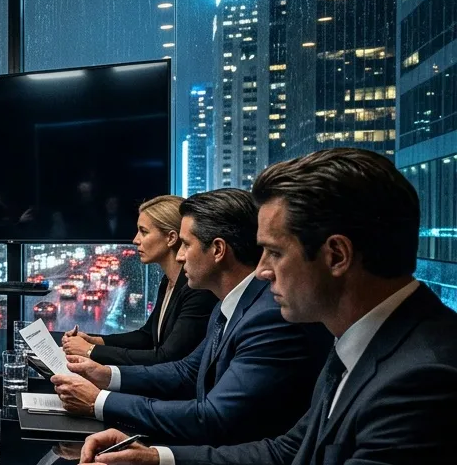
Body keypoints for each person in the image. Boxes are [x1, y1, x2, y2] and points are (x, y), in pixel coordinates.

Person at [73, 148, 457, 465]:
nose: (261, 271)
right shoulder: (369, 339)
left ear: (336, 255)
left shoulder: (426, 379)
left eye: (275, 252)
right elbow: (286, 452)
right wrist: (153, 460)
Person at [52, 188, 331, 445]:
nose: (181, 256)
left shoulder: (268, 315)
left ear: (219, 250)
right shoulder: (231, 304)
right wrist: (106, 374)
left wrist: (100, 400)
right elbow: (187, 371)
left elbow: (212, 417)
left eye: (186, 244)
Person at [63, 195, 216, 366]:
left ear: (171, 238)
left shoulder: (196, 289)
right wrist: (94, 341)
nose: (135, 240)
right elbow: (147, 337)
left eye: (144, 232)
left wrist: (90, 351)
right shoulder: (168, 281)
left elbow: (166, 357)